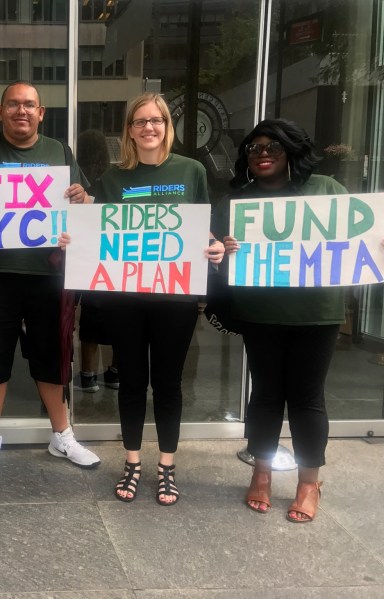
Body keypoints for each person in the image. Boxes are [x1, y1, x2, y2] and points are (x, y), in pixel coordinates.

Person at [0, 80, 102, 480]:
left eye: (29, 105)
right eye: (13, 104)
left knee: (51, 359)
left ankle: (61, 434)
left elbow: (87, 209)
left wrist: (84, 200)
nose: (21, 111)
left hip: (47, 276)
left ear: (41, 112)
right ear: (0, 112)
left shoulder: (59, 153)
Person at [85, 92, 224, 505]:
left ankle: (166, 465)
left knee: (168, 384)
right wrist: (74, 240)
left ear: (167, 125)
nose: (149, 127)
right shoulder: (112, 180)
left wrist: (214, 247)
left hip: (175, 298)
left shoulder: (192, 171)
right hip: (126, 297)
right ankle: (132, 460)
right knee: (131, 382)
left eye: (156, 120)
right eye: (140, 121)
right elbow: (99, 234)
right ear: (129, 130)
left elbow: (203, 228)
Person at [215, 118, 348, 523]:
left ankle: (309, 483)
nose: (263, 153)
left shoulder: (325, 191)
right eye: (254, 148)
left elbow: (357, 238)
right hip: (262, 314)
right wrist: (222, 249)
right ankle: (262, 471)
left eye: (273, 146)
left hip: (316, 315)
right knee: (266, 396)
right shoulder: (236, 204)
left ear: (291, 150)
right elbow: (214, 260)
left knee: (308, 399)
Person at [75, 128, 119, 393]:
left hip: (90, 261)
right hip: (116, 260)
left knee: (89, 321)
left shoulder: (77, 183)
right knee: (119, 320)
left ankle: (88, 376)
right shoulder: (112, 180)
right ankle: (115, 373)